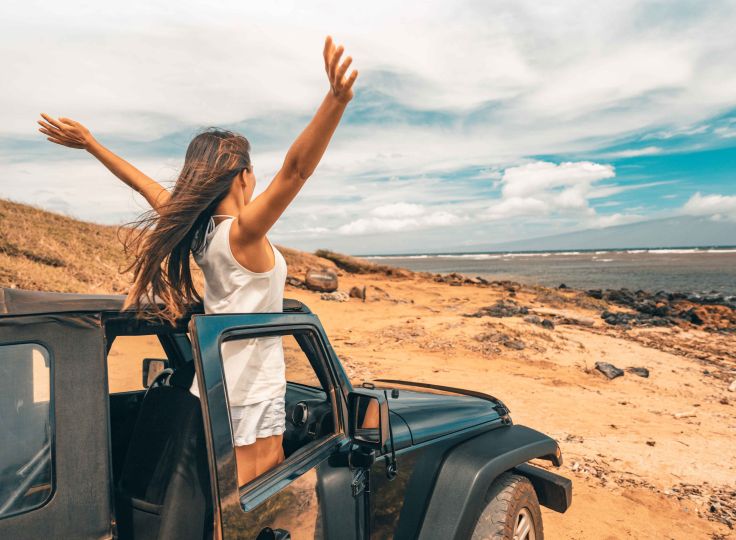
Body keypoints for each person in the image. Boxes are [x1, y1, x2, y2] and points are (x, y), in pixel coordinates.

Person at [37, 35, 358, 487]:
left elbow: (144, 184)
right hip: (248, 393)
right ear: (244, 177)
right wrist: (336, 101)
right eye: (253, 174)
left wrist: (92, 143)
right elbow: (296, 171)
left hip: (212, 386)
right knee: (246, 510)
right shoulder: (243, 235)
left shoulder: (201, 234)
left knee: (232, 498)